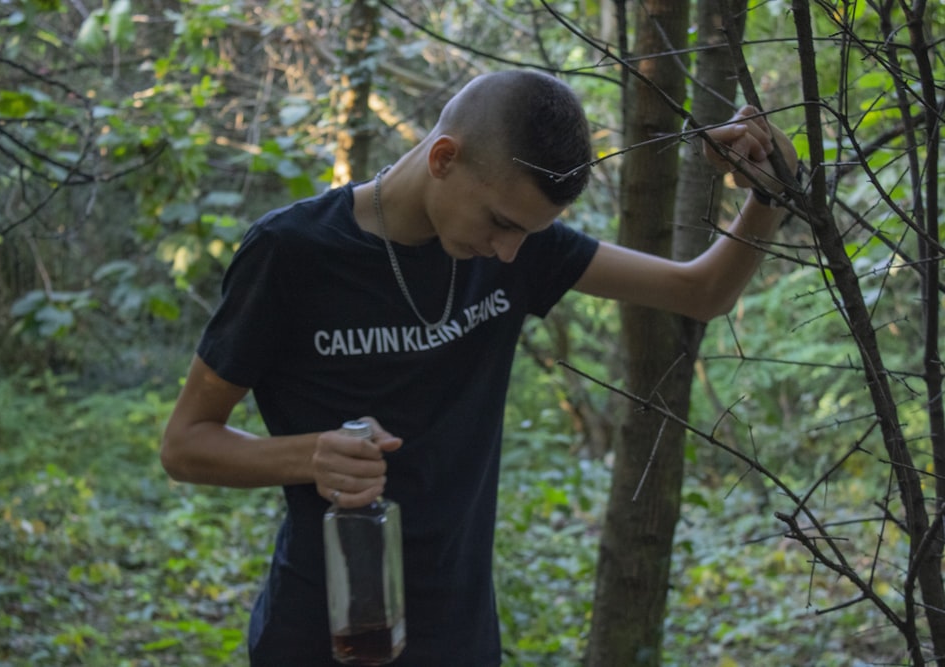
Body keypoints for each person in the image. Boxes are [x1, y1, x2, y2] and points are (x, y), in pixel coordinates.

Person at [160, 69, 797, 666]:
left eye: (527, 232)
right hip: (319, 635)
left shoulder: (519, 246)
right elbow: (185, 445)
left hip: (459, 638)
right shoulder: (291, 253)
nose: (508, 250)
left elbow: (702, 292)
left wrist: (769, 191)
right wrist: (308, 456)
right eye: (500, 223)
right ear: (444, 159)